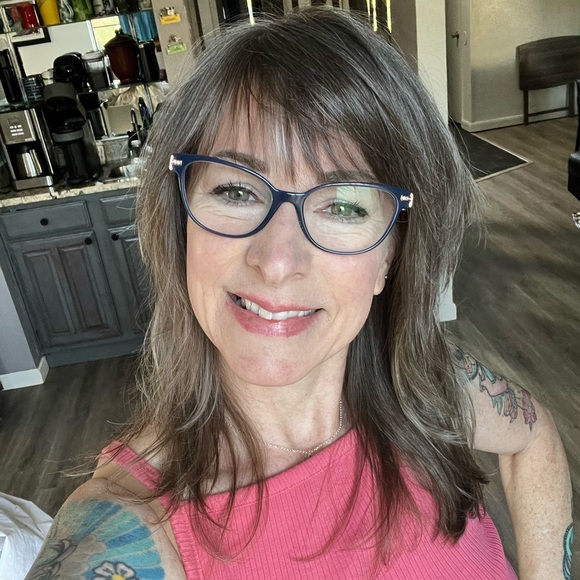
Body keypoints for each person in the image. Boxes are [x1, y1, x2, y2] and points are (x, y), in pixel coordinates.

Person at [26, 7, 572, 580]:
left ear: (390, 255)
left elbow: (533, 437)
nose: (277, 261)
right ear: (181, 223)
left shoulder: (426, 385)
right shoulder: (127, 527)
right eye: (236, 191)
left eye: (343, 205)